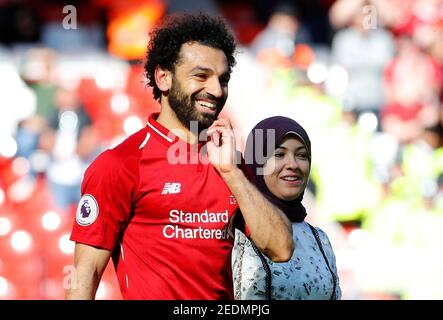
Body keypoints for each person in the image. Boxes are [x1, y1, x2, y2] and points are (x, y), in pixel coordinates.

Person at [67, 12, 294, 300]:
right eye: (201, 76)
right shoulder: (120, 165)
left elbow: (281, 248)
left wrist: (233, 172)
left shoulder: (230, 162)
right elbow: (83, 281)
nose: (215, 90)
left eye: (223, 79)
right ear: (163, 77)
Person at [232, 116, 341, 300]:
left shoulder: (319, 239)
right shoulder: (235, 232)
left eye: (301, 155)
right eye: (279, 154)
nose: (293, 165)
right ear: (256, 163)